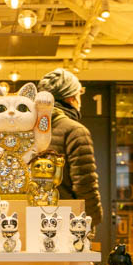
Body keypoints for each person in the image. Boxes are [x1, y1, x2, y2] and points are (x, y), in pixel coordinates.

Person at [37, 68, 104, 232]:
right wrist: (93, 219)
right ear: (71, 98)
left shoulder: (28, 128)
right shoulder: (75, 131)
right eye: (79, 94)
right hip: (65, 221)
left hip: (29, 217)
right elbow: (85, 185)